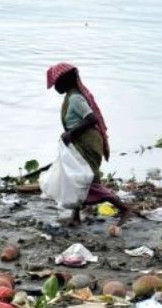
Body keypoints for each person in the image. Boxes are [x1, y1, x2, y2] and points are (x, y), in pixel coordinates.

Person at [46, 62, 132, 225]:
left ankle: (124, 208)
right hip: (79, 142)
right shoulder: (70, 97)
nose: (55, 87)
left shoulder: (76, 99)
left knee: (86, 179)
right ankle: (76, 216)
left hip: (87, 142)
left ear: (66, 81)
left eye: (57, 83)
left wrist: (71, 133)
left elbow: (91, 118)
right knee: (76, 177)